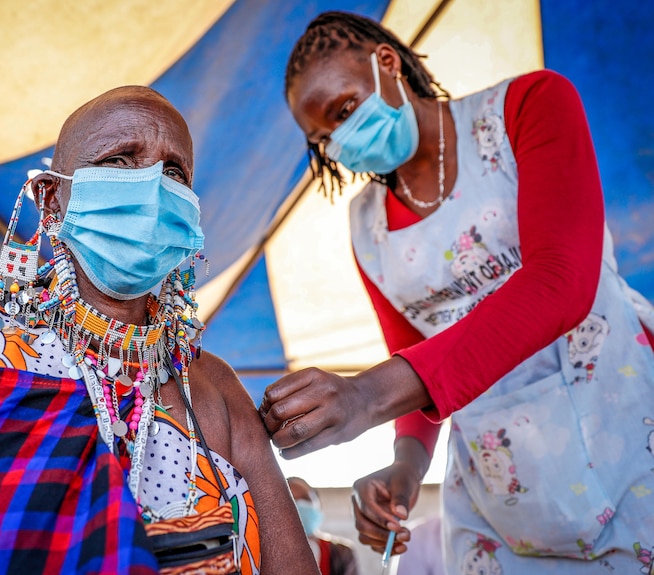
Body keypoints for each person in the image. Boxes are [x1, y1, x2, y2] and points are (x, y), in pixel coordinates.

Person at [0, 86, 319, 575]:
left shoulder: (213, 387)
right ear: (50, 201)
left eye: (174, 173)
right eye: (119, 160)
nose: (153, 189)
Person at [260, 10, 654, 574]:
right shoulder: (365, 225)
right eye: (324, 139)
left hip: (621, 431)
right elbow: (414, 364)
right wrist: (404, 467)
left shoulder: (527, 108)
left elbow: (561, 282)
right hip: (500, 488)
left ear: (387, 63)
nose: (341, 141)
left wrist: (366, 396)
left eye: (345, 111)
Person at [286, 477, 359, 575]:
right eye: (292, 500)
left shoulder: (342, 553)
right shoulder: (264, 554)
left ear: (318, 504)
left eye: (306, 498)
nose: (300, 505)